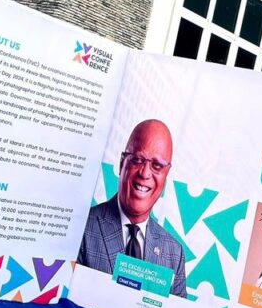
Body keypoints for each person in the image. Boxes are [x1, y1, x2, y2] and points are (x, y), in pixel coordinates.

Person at [77, 119, 187, 298]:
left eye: (157, 166)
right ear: (122, 163)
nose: (145, 173)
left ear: (166, 174)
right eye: (137, 160)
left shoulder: (174, 254)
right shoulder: (82, 227)